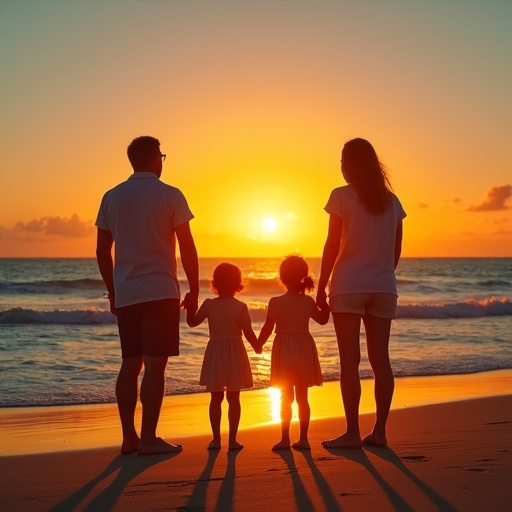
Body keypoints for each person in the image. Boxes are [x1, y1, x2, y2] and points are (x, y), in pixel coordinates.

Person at [95, 135, 199, 455]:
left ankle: (129, 438)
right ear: (157, 160)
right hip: (160, 291)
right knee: (155, 368)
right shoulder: (170, 195)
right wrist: (194, 288)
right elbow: (187, 246)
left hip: (127, 292)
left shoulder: (112, 196)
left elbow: (102, 251)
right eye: (162, 158)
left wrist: (113, 292)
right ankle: (150, 438)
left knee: (130, 364)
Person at [316, 137, 406, 449]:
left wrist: (320, 288)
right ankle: (380, 431)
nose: (340, 168)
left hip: (348, 285)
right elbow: (396, 251)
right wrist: (381, 275)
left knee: (349, 362)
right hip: (383, 286)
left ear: (350, 165)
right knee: (382, 361)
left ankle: (352, 433)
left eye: (342, 162)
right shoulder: (392, 202)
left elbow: (331, 245)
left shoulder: (340, 196)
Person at [258, 255, 330, 451]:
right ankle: (304, 439)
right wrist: (326, 306)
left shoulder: (276, 302)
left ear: (282, 277)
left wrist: (257, 345)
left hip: (285, 349)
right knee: (302, 397)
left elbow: (267, 328)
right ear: (303, 276)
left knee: (286, 396)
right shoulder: (307, 301)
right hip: (304, 347)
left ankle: (284, 439)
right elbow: (323, 320)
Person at [185, 262, 259, 451]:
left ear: (215, 283)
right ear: (238, 283)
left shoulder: (209, 304)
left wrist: (190, 306)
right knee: (234, 398)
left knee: (215, 398)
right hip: (234, 353)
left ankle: (216, 439)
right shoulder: (240, 307)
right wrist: (259, 346)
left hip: (216, 353)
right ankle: (232, 440)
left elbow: (192, 323)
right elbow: (249, 333)